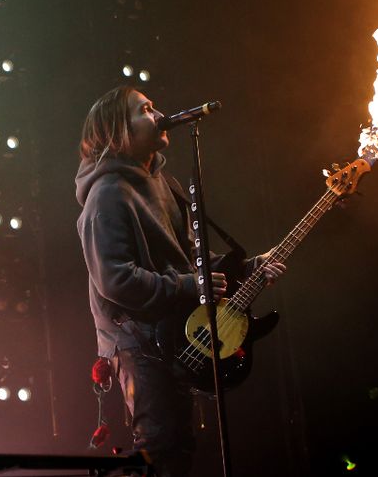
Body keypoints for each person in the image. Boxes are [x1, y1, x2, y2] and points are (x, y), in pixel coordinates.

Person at [75, 85, 285, 477]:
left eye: (154, 107)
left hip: (172, 332)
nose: (159, 114)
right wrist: (191, 287)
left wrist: (245, 267)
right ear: (118, 129)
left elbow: (189, 261)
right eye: (145, 110)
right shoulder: (106, 196)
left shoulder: (164, 183)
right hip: (136, 340)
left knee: (181, 447)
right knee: (161, 449)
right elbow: (115, 280)